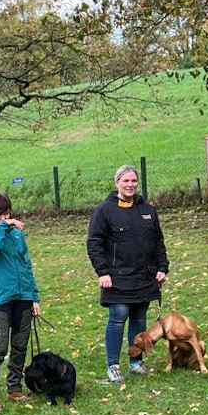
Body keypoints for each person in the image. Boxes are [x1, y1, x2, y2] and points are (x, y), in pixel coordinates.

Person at [87, 164, 169, 383]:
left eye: (133, 181)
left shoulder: (148, 210)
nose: (130, 185)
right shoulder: (104, 210)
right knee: (118, 316)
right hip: (117, 277)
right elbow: (94, 243)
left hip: (144, 276)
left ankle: (136, 362)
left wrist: (162, 267)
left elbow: (158, 242)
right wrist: (103, 272)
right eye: (126, 181)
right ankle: (113, 366)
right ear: (117, 183)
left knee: (139, 318)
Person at [0, 193, 42, 411]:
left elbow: (26, 265)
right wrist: (3, 226)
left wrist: (34, 297)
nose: (4, 218)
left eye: (6, 214)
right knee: (0, 348)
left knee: (20, 346)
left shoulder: (17, 235)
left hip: (23, 297)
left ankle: (14, 388)